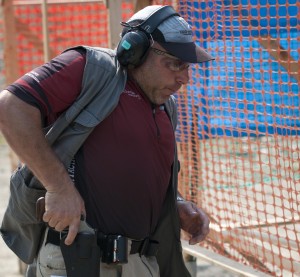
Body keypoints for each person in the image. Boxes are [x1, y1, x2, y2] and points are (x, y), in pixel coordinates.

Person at [0, 5, 213, 277]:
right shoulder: (91, 68)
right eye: (175, 63)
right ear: (135, 49)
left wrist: (177, 205)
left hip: (141, 262)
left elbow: (140, 172)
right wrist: (58, 187)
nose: (185, 77)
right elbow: (11, 108)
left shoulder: (165, 106)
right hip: (79, 258)